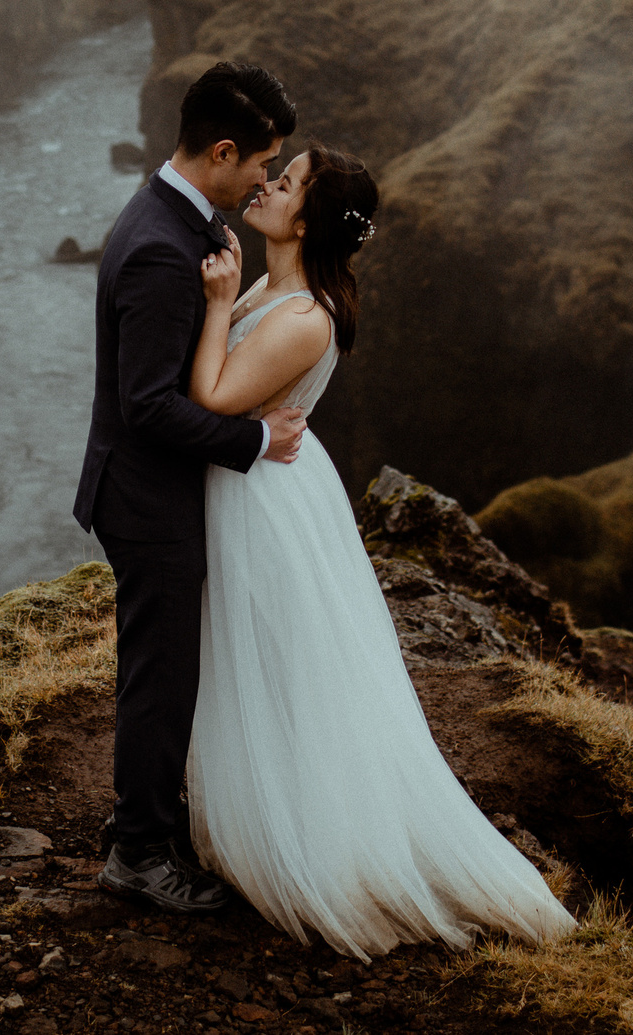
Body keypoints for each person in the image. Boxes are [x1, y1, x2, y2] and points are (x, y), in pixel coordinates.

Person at [182, 143, 577, 956]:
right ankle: (263, 804)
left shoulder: (304, 316)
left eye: (285, 183)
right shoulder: (281, 287)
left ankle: (310, 835)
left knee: (276, 660)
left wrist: (218, 303)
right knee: (255, 658)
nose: (266, 184)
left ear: (308, 221)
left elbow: (214, 397)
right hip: (261, 480)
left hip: (264, 500)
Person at [72, 60, 308, 914]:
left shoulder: (178, 219)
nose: (266, 179)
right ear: (220, 149)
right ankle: (137, 852)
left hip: (151, 493)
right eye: (261, 161)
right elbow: (147, 409)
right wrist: (253, 437)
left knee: (164, 667)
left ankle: (147, 824)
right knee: (160, 676)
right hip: (146, 500)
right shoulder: (161, 252)